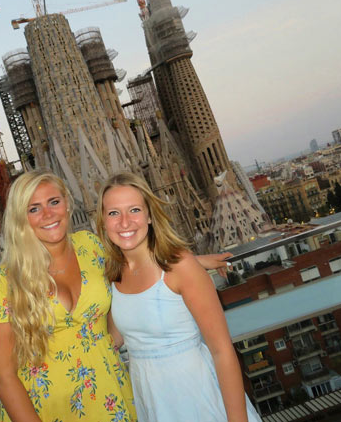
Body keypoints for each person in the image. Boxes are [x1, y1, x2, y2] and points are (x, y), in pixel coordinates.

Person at [96, 172, 261, 422]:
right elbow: (115, 339)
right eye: (113, 213)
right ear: (103, 221)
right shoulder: (114, 274)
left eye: (134, 210)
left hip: (196, 394)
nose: (125, 222)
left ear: (149, 216)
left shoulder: (181, 266)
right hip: (150, 399)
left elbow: (222, 351)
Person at [0, 170, 137, 422]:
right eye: (34, 208)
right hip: (46, 409)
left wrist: (190, 264)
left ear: (67, 204)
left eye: (54, 202)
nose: (48, 214)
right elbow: (1, 375)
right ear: (21, 218)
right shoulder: (7, 279)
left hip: (111, 398)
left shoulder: (91, 246)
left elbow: (136, 274)